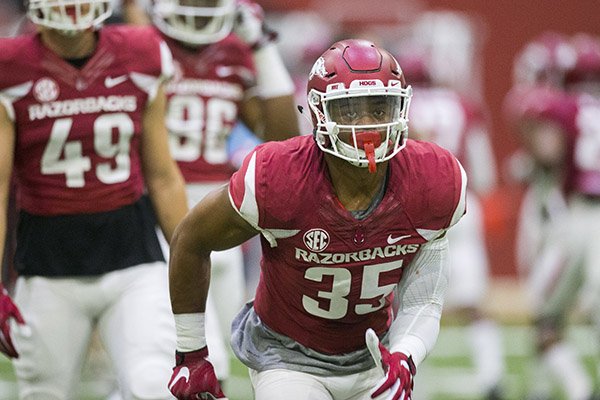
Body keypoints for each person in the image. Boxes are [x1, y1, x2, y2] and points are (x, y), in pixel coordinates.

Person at [166, 38, 467, 400]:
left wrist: (405, 355)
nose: (368, 126)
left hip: (375, 358)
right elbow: (191, 239)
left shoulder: (433, 179)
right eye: (351, 111)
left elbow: (423, 299)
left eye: (380, 108)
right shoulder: (278, 176)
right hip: (286, 357)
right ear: (319, 113)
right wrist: (191, 351)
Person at [0, 0, 189, 399]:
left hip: (133, 258)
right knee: (44, 393)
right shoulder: (10, 64)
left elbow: (163, 175)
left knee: (152, 386)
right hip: (45, 266)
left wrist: (190, 262)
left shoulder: (142, 52)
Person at [146, 0, 300, 384]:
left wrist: (262, 46)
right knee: (174, 352)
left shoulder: (232, 52)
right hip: (157, 206)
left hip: (219, 209)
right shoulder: (144, 47)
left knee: (219, 359)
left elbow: (282, 140)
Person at [399, 50, 506, 400]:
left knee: (406, 305)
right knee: (474, 302)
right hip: (461, 201)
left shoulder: (402, 106)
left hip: (417, 208)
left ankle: (409, 382)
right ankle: (492, 377)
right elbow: (483, 166)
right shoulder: (462, 104)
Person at [505, 32, 600, 400]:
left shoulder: (564, 107)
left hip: (577, 216)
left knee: (545, 314)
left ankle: (577, 387)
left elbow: (547, 153)